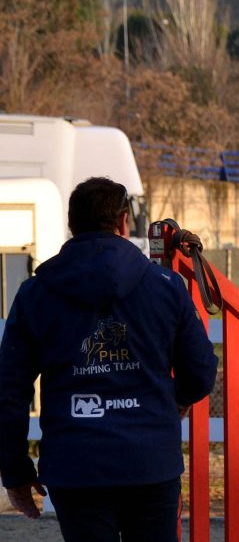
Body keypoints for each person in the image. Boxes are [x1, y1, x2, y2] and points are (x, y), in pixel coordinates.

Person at [0, 177, 218, 541]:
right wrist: (175, 401)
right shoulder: (165, 287)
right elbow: (200, 371)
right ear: (122, 223)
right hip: (150, 461)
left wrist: (17, 472)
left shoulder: (35, 294)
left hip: (76, 465)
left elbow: (9, 392)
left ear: (73, 226)